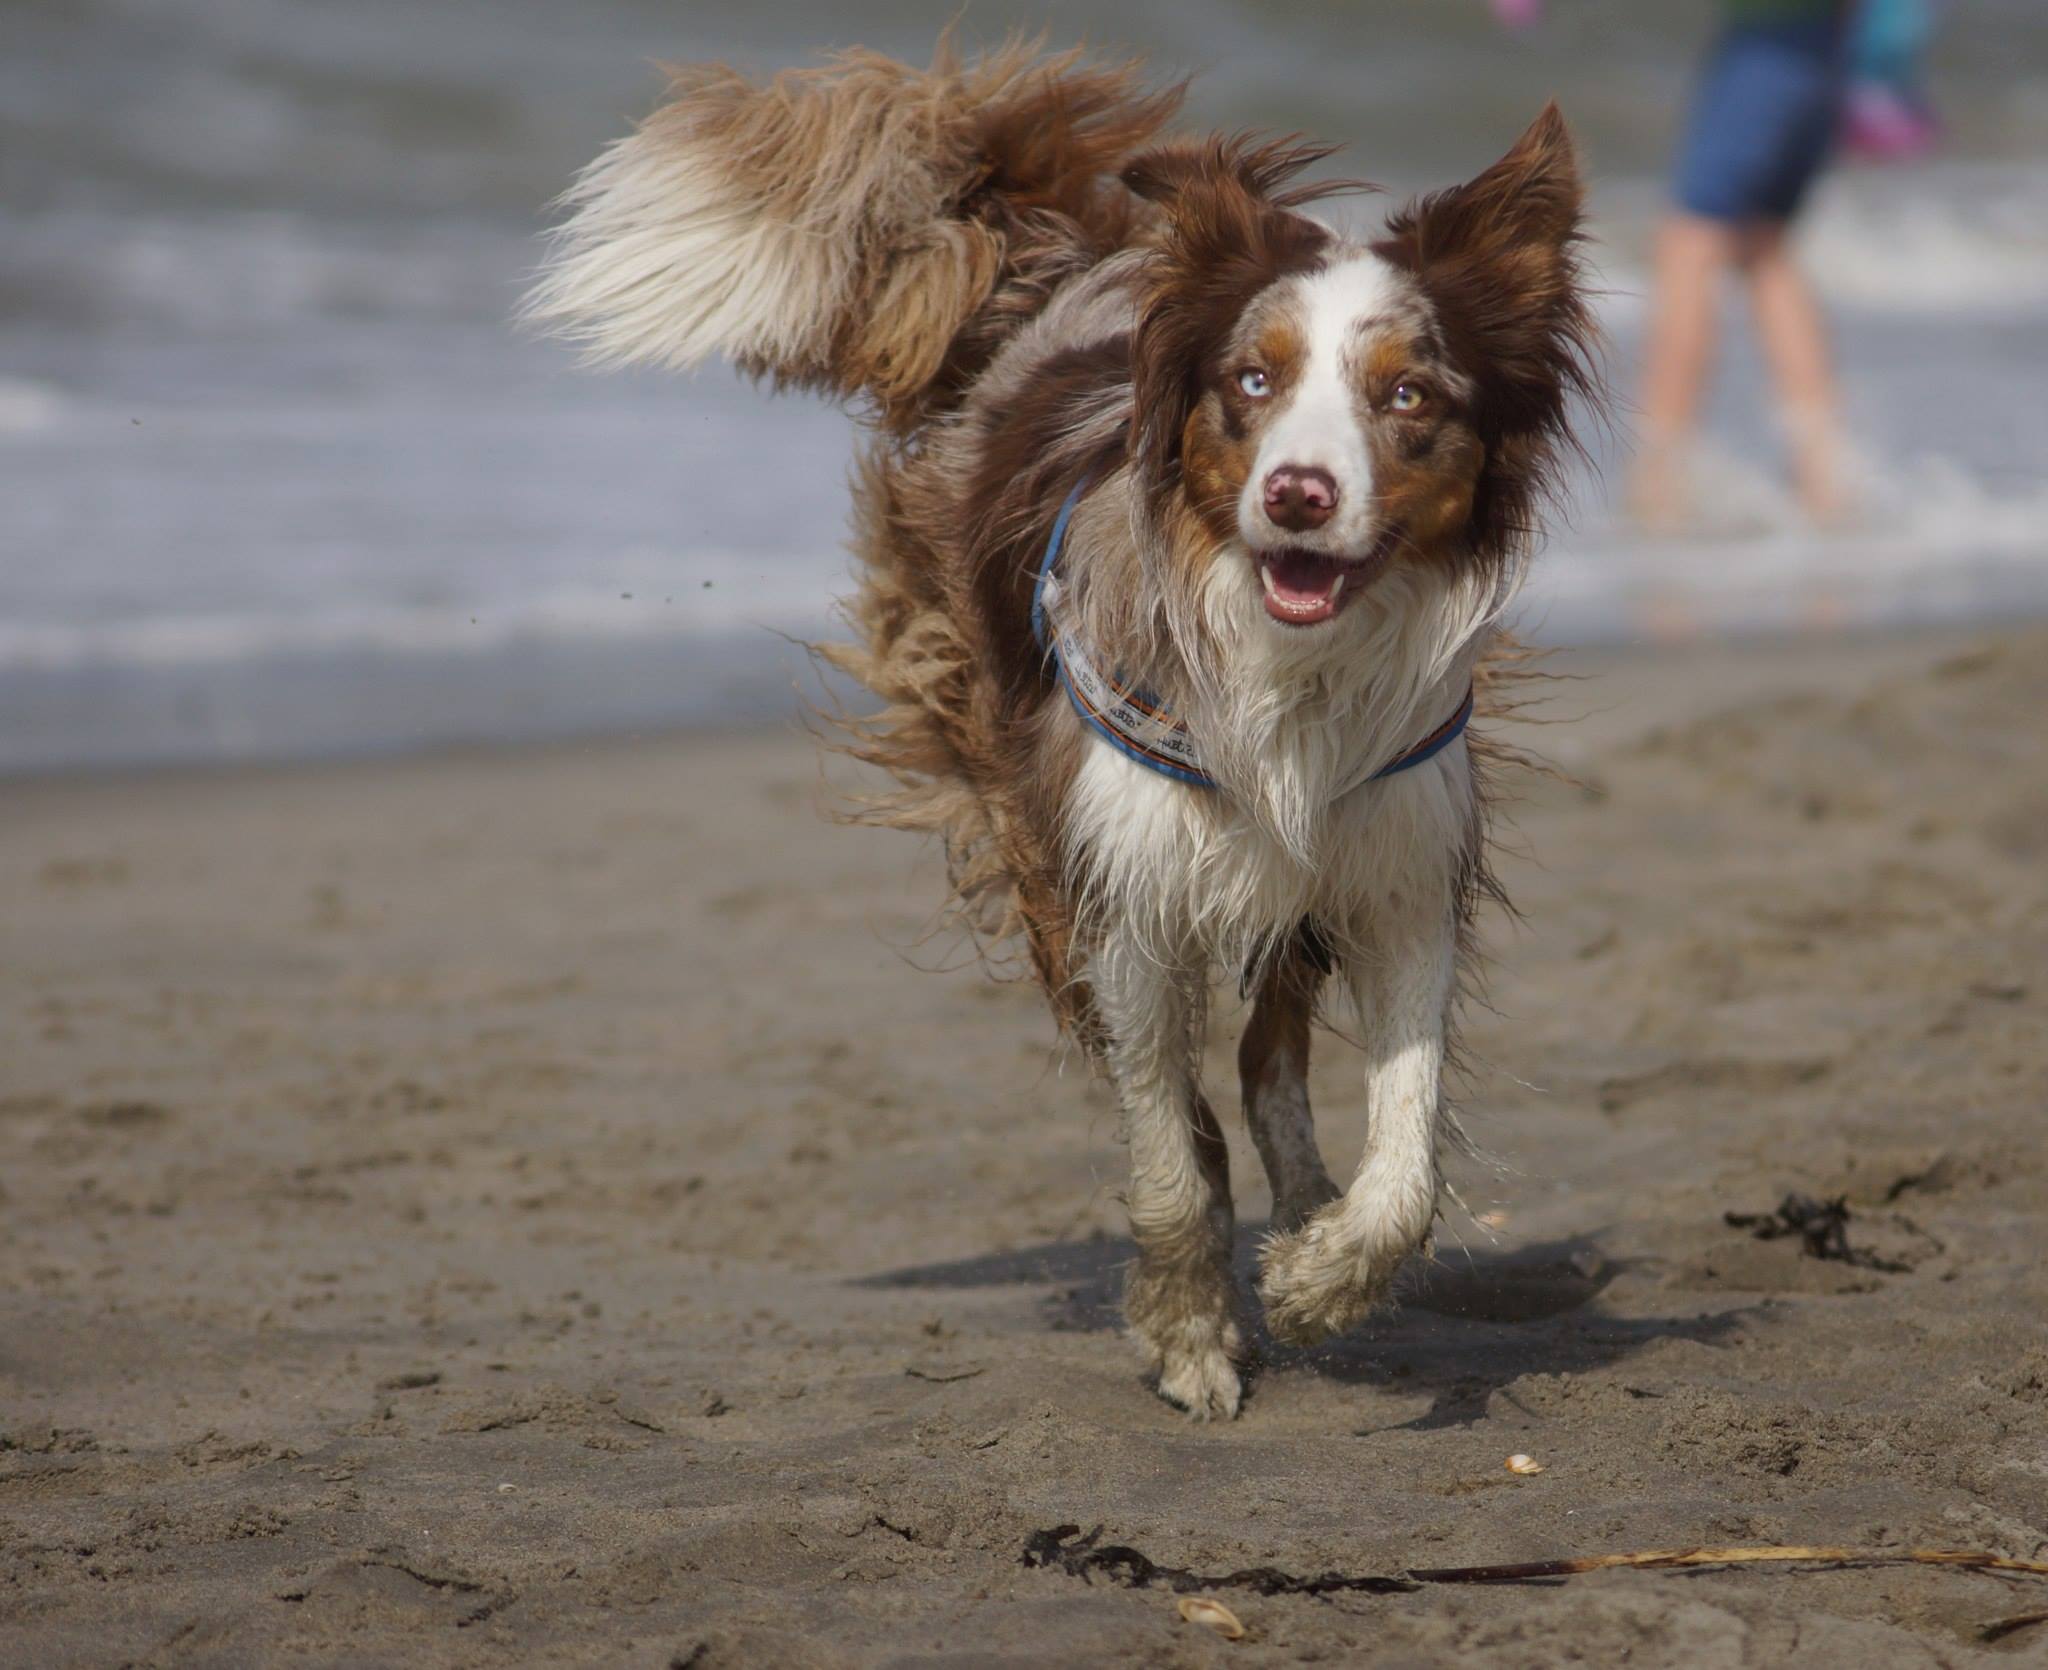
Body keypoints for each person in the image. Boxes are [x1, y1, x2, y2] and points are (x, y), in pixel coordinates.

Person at [1634, 0, 1856, 528]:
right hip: (1824, 48)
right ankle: (1825, 476)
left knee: (1688, 246)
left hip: (1766, 48)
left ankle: (1658, 481)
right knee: (1764, 249)